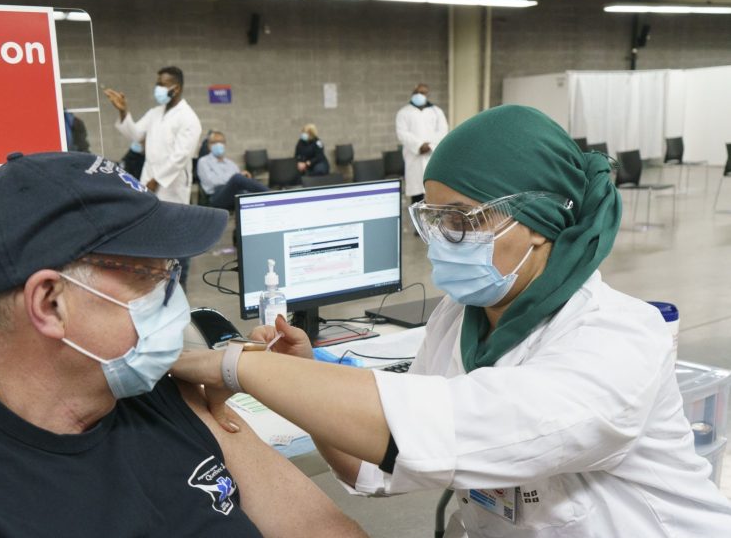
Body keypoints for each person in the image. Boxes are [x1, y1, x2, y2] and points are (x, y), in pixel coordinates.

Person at [172, 106, 731, 537]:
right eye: (431, 217)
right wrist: (299, 372)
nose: (440, 239)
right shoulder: (459, 318)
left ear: (537, 222)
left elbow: (445, 425)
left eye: (460, 220)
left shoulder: (617, 339)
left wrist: (233, 364)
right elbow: (378, 464)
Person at [0, 151, 366, 538]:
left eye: (174, 273)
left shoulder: (173, 397)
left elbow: (322, 530)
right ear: (50, 303)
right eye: (150, 274)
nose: (175, 295)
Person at [104, 66, 202, 289]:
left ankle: (178, 289)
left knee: (176, 242)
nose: (157, 88)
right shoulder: (155, 112)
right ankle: (155, 287)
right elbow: (136, 135)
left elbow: (180, 156)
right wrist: (123, 112)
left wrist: (156, 180)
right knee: (154, 238)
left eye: (162, 84)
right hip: (149, 183)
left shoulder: (188, 118)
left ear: (175, 88)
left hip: (171, 187)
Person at [395, 83, 448, 204]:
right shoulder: (403, 112)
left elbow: (443, 130)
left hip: (432, 155)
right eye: (417, 92)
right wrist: (419, 146)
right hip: (414, 157)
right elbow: (402, 133)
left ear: (427, 94)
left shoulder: (437, 111)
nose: (420, 95)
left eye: (423, 93)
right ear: (413, 93)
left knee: (434, 193)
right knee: (417, 197)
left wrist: (430, 146)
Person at [196, 131, 268, 209]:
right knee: (237, 178)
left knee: (245, 193)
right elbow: (212, 182)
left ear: (224, 144)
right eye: (214, 142)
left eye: (221, 142)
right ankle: (272, 193)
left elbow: (238, 182)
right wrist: (233, 178)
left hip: (234, 194)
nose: (218, 144)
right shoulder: (203, 161)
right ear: (209, 145)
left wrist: (238, 179)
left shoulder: (231, 163)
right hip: (215, 197)